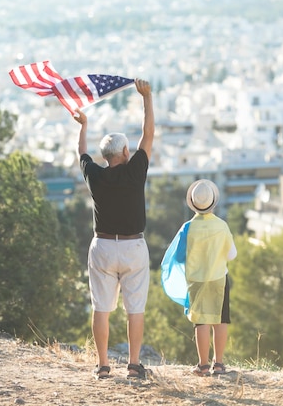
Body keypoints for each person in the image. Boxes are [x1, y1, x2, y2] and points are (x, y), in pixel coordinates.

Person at [73, 78, 154, 380]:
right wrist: (147, 97)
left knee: (101, 308)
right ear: (122, 153)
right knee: (135, 309)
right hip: (133, 247)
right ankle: (133, 364)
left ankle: (103, 365)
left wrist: (83, 125)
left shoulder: (95, 175)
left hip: (103, 246)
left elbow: (81, 153)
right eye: (128, 150)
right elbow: (149, 133)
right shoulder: (136, 171)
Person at [160, 179, 237, 377]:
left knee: (200, 322)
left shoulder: (187, 228)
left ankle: (203, 365)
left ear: (193, 204)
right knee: (220, 321)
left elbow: (177, 256)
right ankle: (218, 364)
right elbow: (232, 255)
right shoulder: (222, 226)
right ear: (214, 202)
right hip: (219, 279)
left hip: (196, 281)